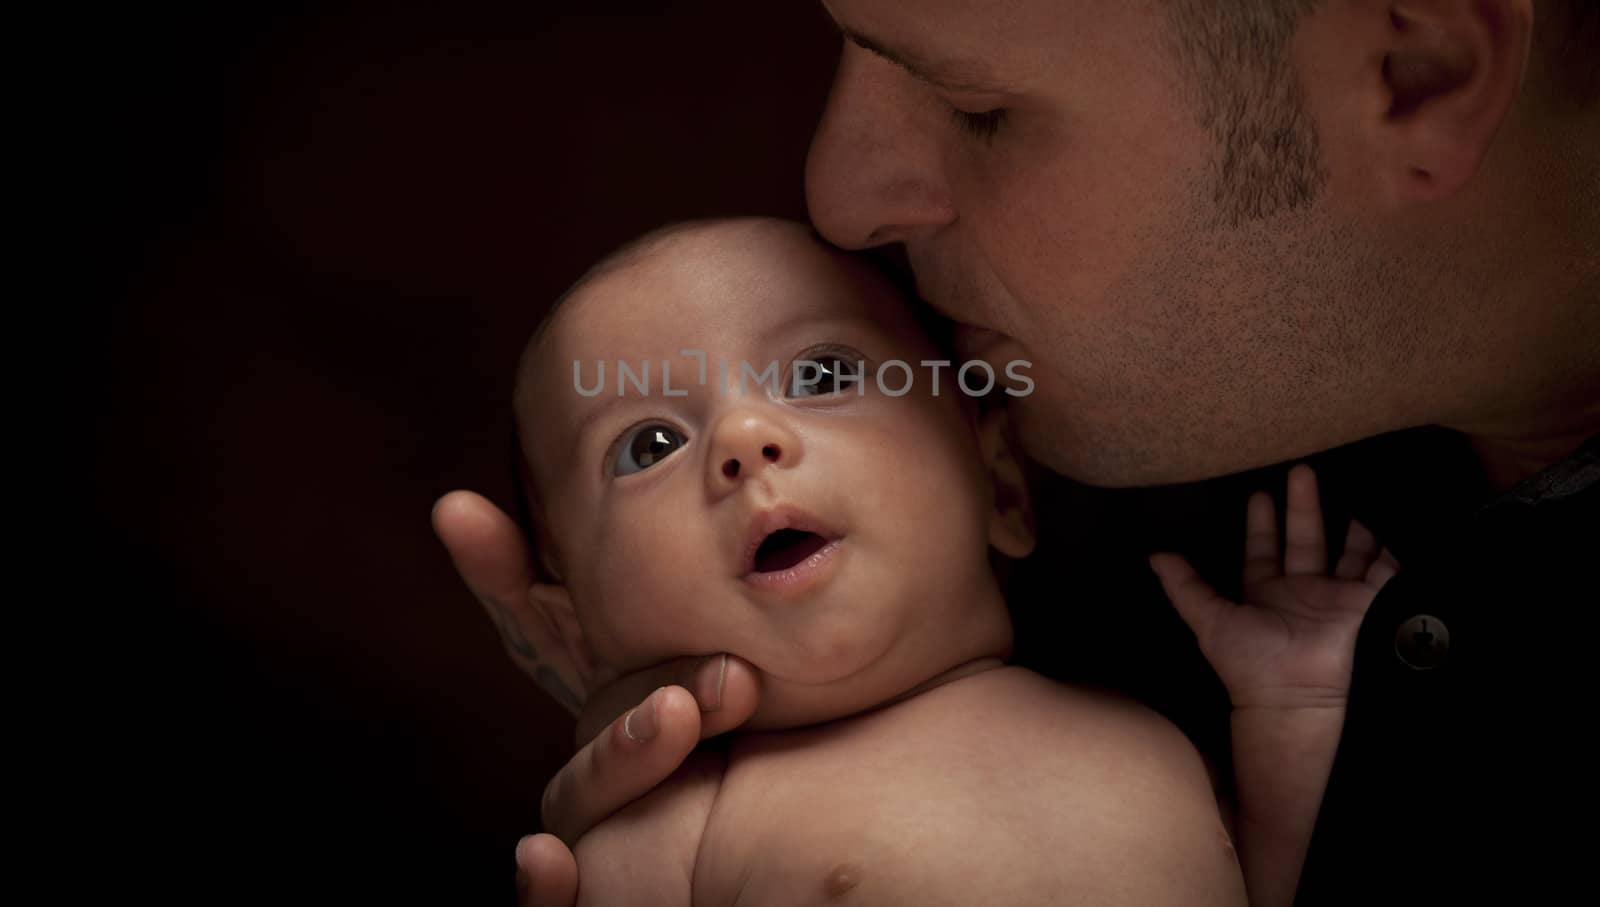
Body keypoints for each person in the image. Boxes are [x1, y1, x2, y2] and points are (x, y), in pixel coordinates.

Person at [435, 0, 1598, 902]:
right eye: (648, 444)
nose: (836, 197)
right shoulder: (1072, 440)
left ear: (1422, 67)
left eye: (973, 104)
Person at [476, 214, 1404, 904]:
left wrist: (1290, 705)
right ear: (574, 626)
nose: (746, 437)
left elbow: (1275, 883)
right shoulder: (678, 824)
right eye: (647, 445)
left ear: (1000, 483)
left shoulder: (1143, 726)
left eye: (823, 375)